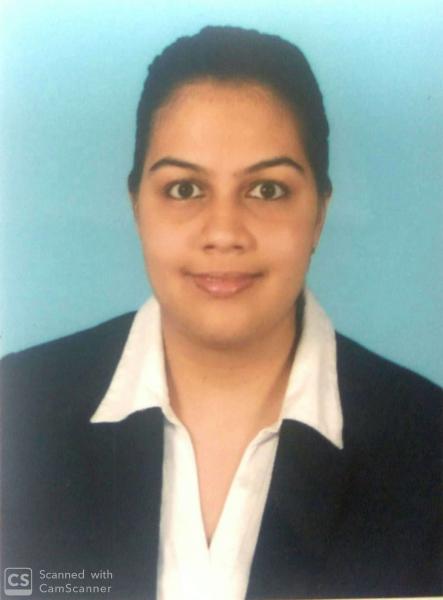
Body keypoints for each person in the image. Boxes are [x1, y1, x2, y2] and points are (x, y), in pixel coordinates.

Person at [1, 26, 441, 600]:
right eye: (185, 189)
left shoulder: (430, 446)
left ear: (319, 213)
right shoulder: (15, 409)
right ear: (137, 206)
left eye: (267, 190)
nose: (225, 233)